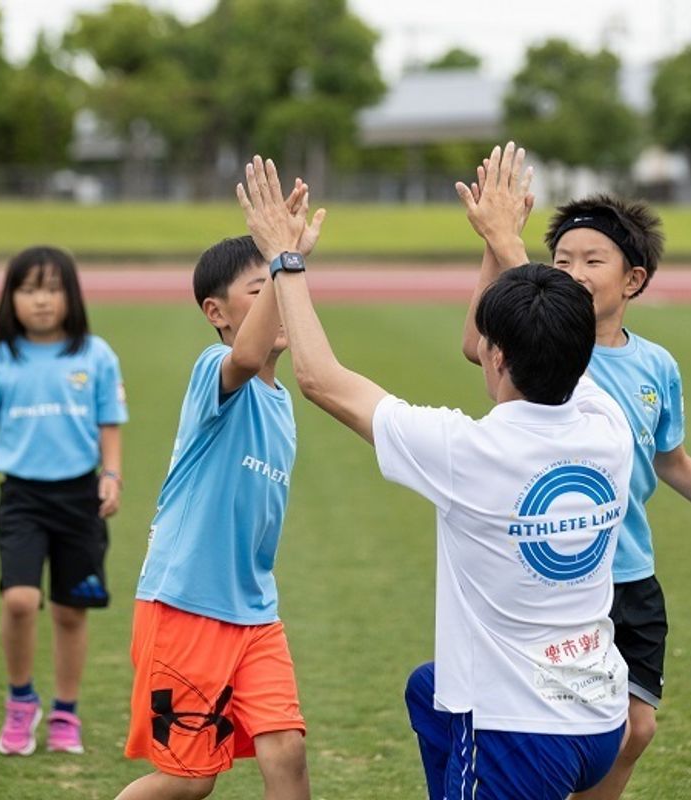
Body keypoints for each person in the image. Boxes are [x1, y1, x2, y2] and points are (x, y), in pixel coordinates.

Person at [241, 157, 634, 800]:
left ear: (497, 354)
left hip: (522, 732)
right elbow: (537, 331)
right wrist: (499, 239)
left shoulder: (470, 453)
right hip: (599, 716)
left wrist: (283, 258)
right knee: (432, 689)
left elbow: (320, 379)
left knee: (454, 708)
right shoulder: (604, 418)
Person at [456, 142, 691, 800]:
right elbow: (477, 343)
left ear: (635, 279)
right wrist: (496, 243)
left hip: (632, 572)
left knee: (636, 729)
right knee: (563, 726)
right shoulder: (549, 346)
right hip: (563, 574)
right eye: (561, 260)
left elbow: (669, 458)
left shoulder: (657, 366)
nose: (574, 271)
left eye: (593, 260)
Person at [115, 158, 324, 800]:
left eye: (283, 283)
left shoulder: (281, 401)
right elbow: (247, 355)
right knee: (191, 780)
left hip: (253, 610)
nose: (280, 296)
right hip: (186, 605)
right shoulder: (217, 371)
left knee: (286, 750)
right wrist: (281, 254)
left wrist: (281, 263)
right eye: (261, 290)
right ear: (216, 311)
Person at [0, 245, 128, 757]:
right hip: (22, 499)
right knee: (19, 599)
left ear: (71, 297)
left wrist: (112, 475)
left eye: (52, 289)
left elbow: (109, 424)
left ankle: (65, 713)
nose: (41, 301)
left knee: (71, 611)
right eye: (29, 289)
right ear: (10, 298)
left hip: (79, 497)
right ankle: (20, 700)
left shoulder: (95, 355)